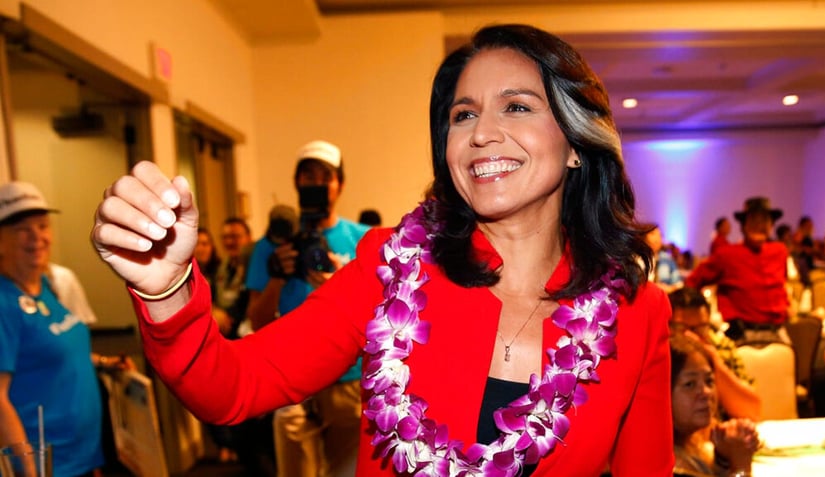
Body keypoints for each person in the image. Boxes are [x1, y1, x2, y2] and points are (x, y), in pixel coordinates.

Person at [91, 24, 673, 476]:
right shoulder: (393, 272)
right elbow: (233, 387)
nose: (480, 133)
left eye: (516, 106)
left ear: (577, 143)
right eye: (462, 114)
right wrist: (163, 287)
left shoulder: (638, 312)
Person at [244, 141, 370, 477]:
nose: (315, 183)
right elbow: (257, 320)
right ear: (296, 182)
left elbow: (380, 317)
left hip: (349, 381)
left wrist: (337, 285)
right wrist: (276, 279)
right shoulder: (271, 245)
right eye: (307, 176)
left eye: (324, 176)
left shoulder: (365, 240)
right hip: (291, 381)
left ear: (339, 184)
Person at [0, 181, 125, 477]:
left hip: (83, 456)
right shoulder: (4, 304)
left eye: (43, 226)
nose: (37, 237)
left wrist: (105, 364)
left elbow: (58, 354)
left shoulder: (46, 287)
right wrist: (29, 468)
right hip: (50, 466)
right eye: (22, 230)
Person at [686, 197, 791, 345]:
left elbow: (783, 285)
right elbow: (692, 282)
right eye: (754, 220)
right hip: (742, 334)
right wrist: (699, 318)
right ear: (743, 225)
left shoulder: (779, 251)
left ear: (771, 225)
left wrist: (787, 305)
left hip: (778, 332)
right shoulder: (726, 255)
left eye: (764, 221)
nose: (759, 225)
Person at [669, 333, 759, 477]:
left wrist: (723, 456)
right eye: (690, 384)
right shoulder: (671, 464)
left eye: (709, 381)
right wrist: (742, 465)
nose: (706, 392)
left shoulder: (690, 443)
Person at [668, 287, 761, 421]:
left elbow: (752, 411)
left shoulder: (722, 347)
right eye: (682, 328)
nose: (692, 336)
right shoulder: (660, 353)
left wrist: (714, 362)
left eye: (700, 328)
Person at [644, 223, 683, 293]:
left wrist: (670, 289)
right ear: (644, 236)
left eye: (660, 235)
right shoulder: (637, 259)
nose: (657, 238)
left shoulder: (667, 259)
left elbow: (679, 284)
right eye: (652, 234)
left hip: (664, 296)